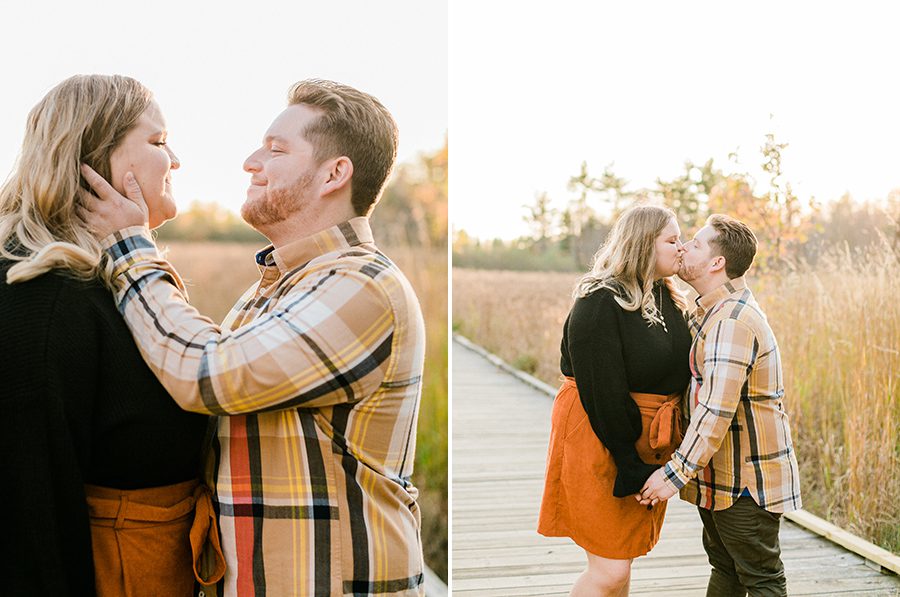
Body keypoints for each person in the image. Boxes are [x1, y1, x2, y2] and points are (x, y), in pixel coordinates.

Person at [81, 79, 427, 596]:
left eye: (275, 149)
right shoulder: (277, 289)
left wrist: (130, 249)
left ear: (335, 174)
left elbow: (208, 375)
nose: (249, 161)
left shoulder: (363, 285)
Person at [0, 74, 224, 596]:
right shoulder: (44, 294)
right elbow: (30, 510)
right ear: (96, 159)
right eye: (159, 142)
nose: (177, 161)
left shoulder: (112, 279)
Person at [638, 214, 802, 597]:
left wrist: (673, 475)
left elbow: (716, 410)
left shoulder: (732, 321)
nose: (683, 248)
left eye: (694, 243)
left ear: (716, 263)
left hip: (746, 483)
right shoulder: (711, 312)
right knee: (725, 569)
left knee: (760, 579)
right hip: (718, 479)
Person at [537, 205, 693, 596]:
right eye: (672, 240)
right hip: (599, 435)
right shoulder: (598, 302)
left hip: (647, 440)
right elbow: (602, 394)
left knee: (621, 560)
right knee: (609, 569)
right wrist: (628, 460)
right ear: (643, 245)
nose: (682, 247)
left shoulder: (666, 295)